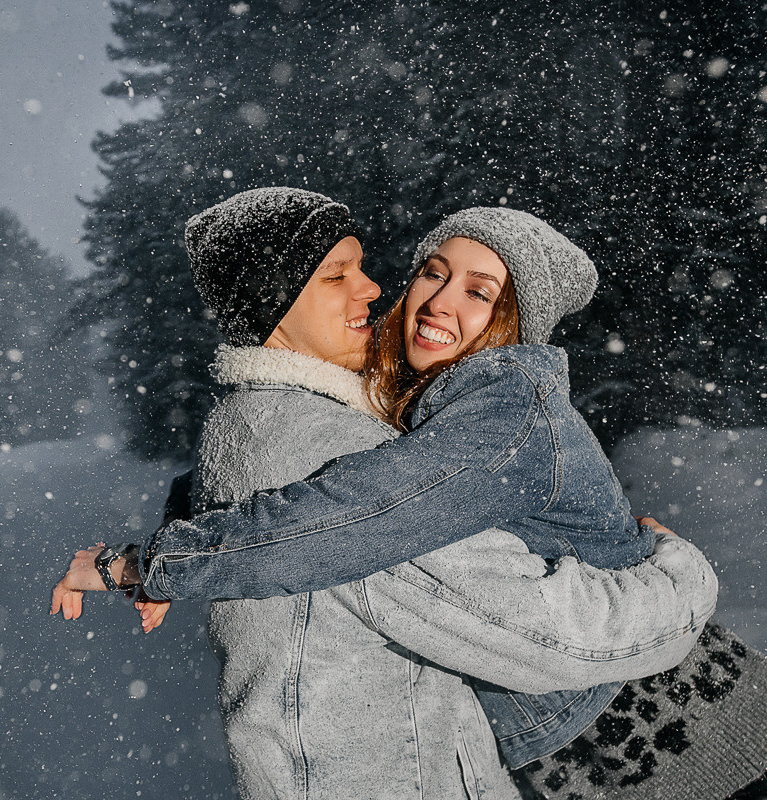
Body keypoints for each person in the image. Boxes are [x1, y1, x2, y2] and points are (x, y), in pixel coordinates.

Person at [54, 189, 720, 799]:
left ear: (515, 321)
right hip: (584, 717)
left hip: (668, 721)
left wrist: (155, 561)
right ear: (276, 303)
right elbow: (329, 510)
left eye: (479, 292)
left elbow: (321, 507)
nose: (397, 292)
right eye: (433, 271)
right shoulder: (352, 426)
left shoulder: (492, 406)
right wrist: (160, 553)